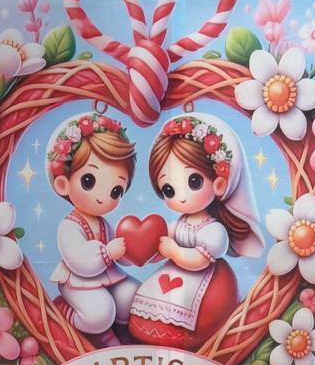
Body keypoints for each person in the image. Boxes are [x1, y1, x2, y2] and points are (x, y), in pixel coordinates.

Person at [128, 113, 263, 350]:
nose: (180, 196)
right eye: (169, 189)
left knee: (186, 314)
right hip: (172, 278)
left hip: (205, 285)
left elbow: (199, 260)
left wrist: (174, 252)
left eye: (193, 182)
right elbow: (159, 246)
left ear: (219, 184)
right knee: (153, 301)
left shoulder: (214, 230)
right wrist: (143, 249)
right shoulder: (179, 223)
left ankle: (186, 336)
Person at [47, 110, 138, 338]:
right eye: (89, 181)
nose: (102, 197)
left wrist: (134, 251)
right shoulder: (70, 226)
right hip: (78, 281)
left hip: (106, 276)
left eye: (116, 191)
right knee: (100, 313)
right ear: (63, 184)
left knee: (133, 295)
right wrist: (107, 253)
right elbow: (80, 260)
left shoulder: (103, 224)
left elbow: (118, 253)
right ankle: (66, 314)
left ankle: (121, 332)